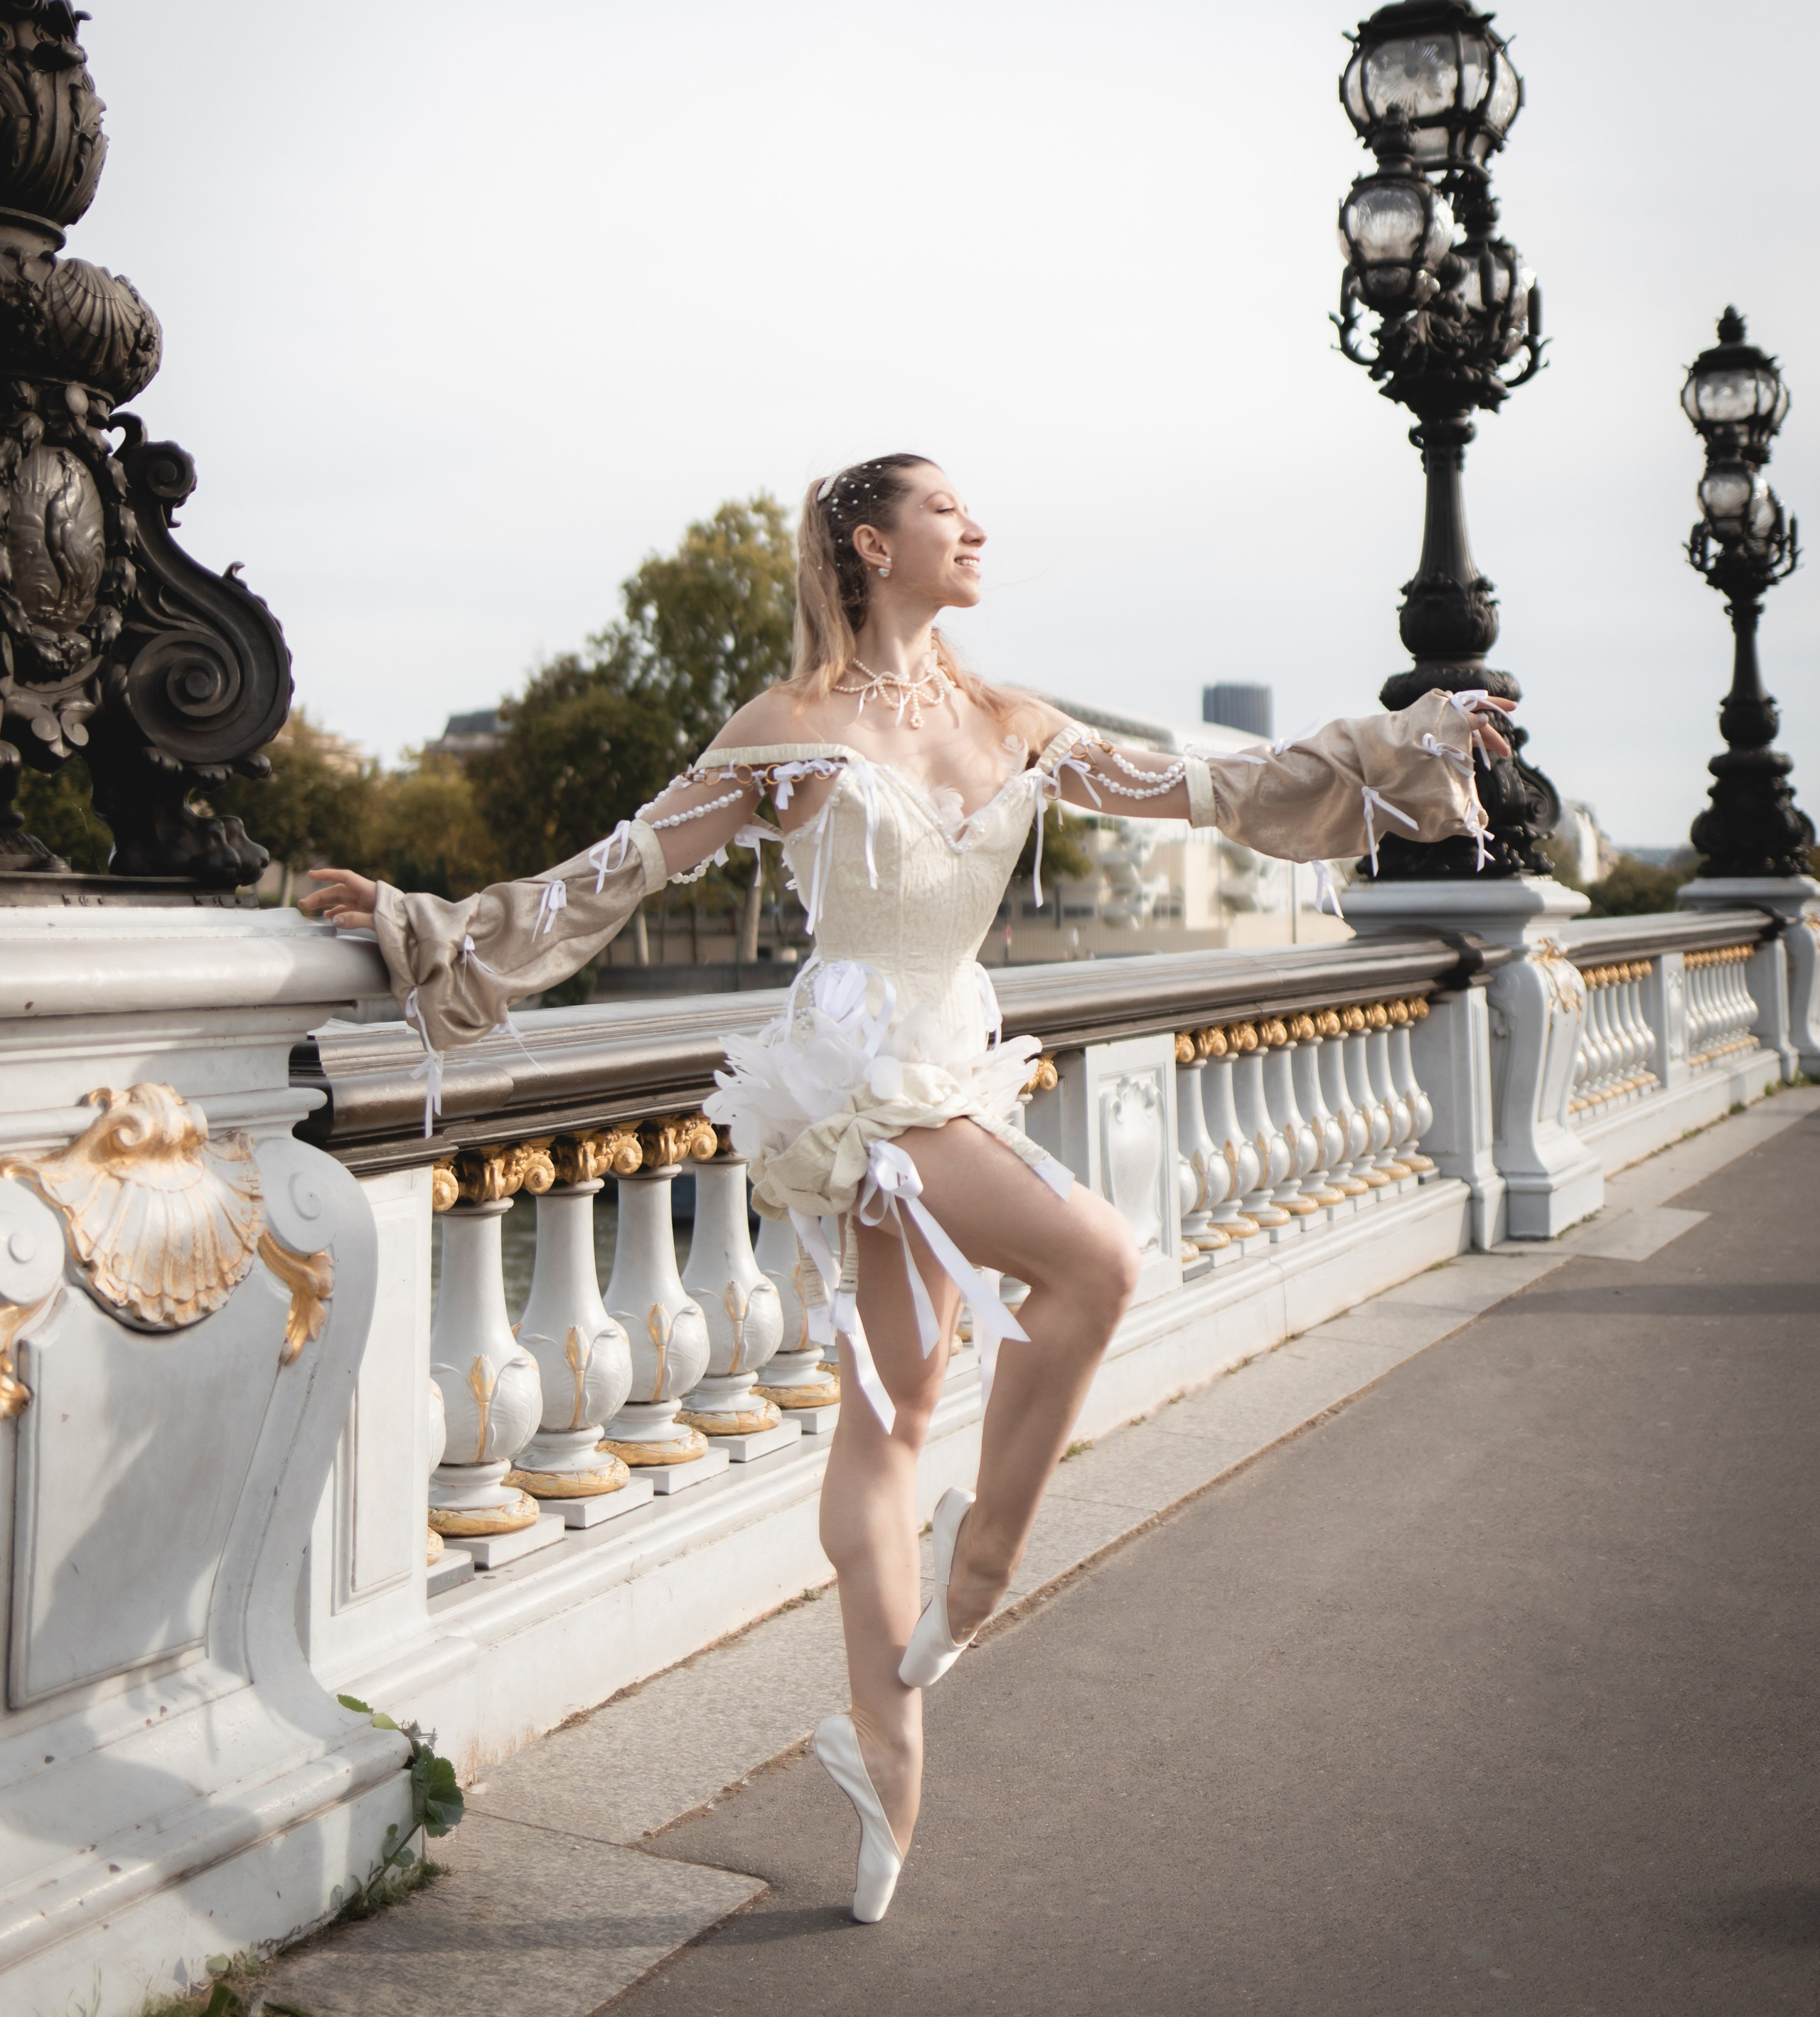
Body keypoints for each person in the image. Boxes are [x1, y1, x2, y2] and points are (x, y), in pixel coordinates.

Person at [303, 453, 1508, 1924]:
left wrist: (1416, 733)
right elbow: (608, 878)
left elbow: (1230, 789)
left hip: (952, 1063)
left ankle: (885, 1750)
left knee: (891, 1418)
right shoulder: (788, 732)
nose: (976, 526)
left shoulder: (1016, 721)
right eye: (947, 510)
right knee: (1097, 1262)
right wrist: (427, 921)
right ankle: (977, 1570)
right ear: (872, 546)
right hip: (857, 1080)